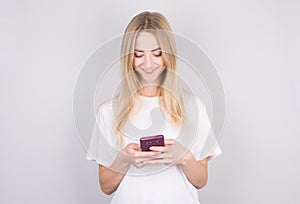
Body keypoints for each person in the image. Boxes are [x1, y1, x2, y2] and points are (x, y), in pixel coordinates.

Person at [86, 11, 222, 204]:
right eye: (139, 54)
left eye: (157, 53)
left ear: (168, 55)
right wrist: (124, 159)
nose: (148, 63)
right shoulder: (108, 112)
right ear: (129, 58)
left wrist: (184, 157)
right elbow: (106, 187)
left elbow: (201, 180)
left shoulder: (193, 108)